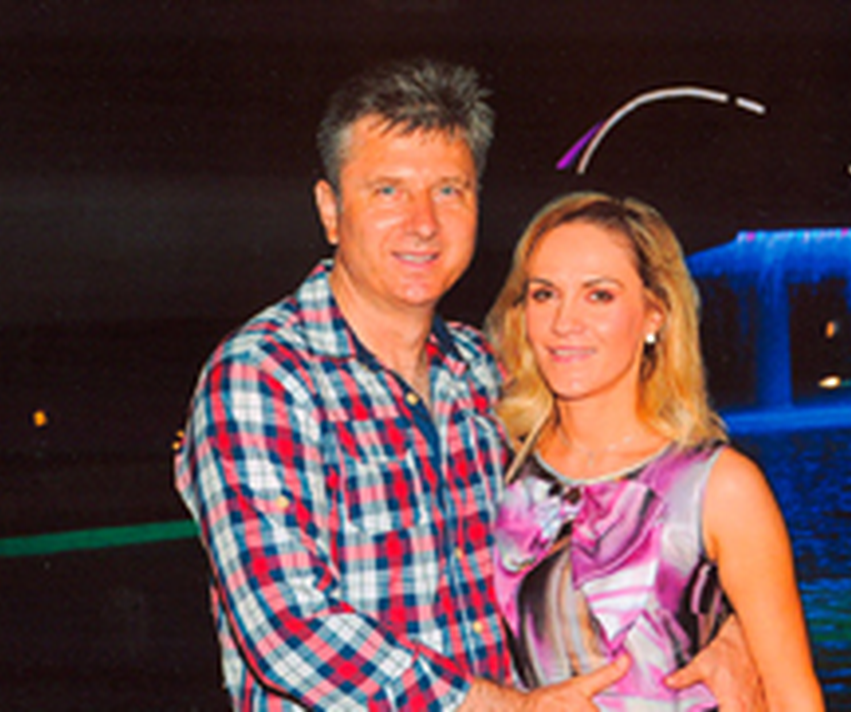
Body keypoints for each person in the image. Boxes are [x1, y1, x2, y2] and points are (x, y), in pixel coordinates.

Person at [175, 58, 764, 711]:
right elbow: (287, 630)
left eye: (449, 190)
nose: (423, 222)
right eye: (388, 191)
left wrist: (733, 626)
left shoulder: (488, 373)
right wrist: (506, 707)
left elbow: (645, 513)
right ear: (331, 210)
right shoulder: (264, 378)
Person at [485, 192, 824, 711]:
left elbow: (793, 695)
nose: (564, 322)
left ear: (653, 315)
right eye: (545, 294)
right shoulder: (495, 463)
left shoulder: (720, 487)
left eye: (599, 296)